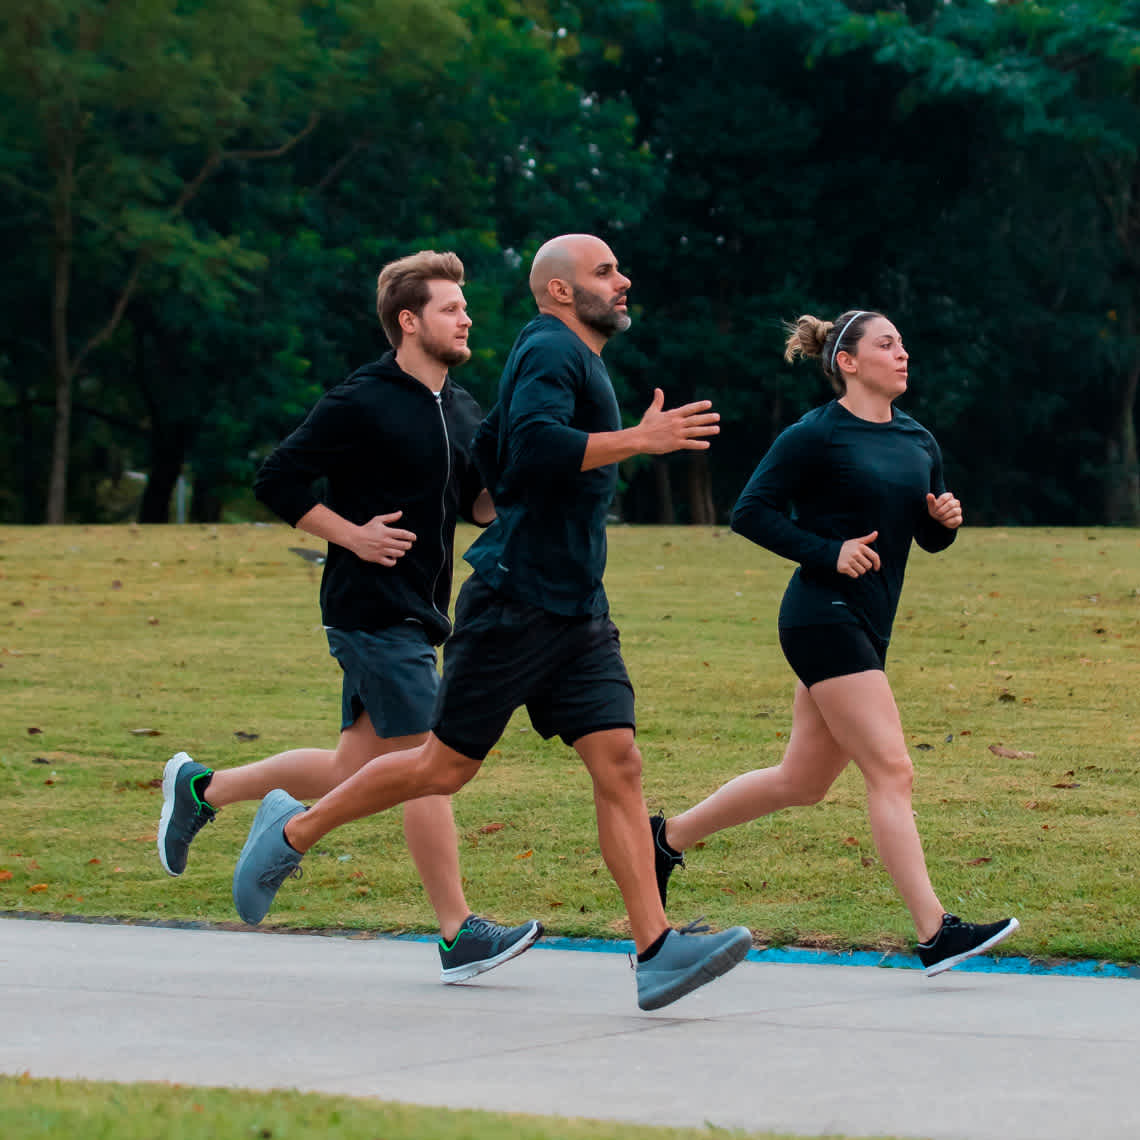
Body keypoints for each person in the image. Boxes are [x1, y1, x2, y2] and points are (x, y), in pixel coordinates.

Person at [230, 233, 754, 1011]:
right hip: (516, 604)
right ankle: (293, 833)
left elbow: (503, 452)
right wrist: (638, 441)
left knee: (620, 764)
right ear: (560, 292)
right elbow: (541, 445)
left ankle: (656, 951)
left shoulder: (565, 360)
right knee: (443, 768)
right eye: (605, 271)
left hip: (576, 605)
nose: (623, 279)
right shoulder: (550, 347)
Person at [157, 250, 542, 983]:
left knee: (353, 766)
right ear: (408, 320)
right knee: (429, 760)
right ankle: (458, 931)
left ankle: (203, 789)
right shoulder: (363, 398)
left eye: (465, 309)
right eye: (451, 308)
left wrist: (524, 492)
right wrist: (353, 535)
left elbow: (477, 503)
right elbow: (278, 477)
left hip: (420, 614)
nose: (467, 319)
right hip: (370, 611)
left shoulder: (460, 407)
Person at [649, 309, 1019, 977]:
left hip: (869, 620)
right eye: (887, 344)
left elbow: (924, 532)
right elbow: (751, 512)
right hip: (823, 614)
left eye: (904, 343)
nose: (903, 354)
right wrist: (829, 551)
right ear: (847, 362)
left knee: (802, 781)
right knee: (892, 770)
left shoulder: (917, 440)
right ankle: (936, 934)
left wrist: (945, 524)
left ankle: (665, 840)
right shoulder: (814, 435)